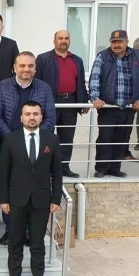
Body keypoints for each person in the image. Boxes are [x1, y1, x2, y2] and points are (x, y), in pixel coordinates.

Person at [0, 51, 56, 245]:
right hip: (9, 145)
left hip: (36, 144)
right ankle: (11, 230)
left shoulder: (44, 88)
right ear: (14, 67)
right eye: (22, 65)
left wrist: (38, 137)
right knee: (10, 186)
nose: (26, 69)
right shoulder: (3, 86)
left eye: (30, 66)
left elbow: (50, 116)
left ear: (35, 68)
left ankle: (29, 231)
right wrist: (13, 139)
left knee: (32, 186)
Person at [0, 101, 62, 276]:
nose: (32, 117)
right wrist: (3, 199)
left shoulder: (51, 139)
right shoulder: (11, 139)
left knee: (37, 242)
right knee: (15, 241)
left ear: (41, 117)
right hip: (16, 198)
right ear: (21, 117)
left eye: (35, 114)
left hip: (41, 199)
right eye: (28, 114)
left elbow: (56, 171)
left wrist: (56, 198)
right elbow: (4, 170)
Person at [89, 30, 139, 178]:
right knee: (105, 138)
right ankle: (102, 168)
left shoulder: (137, 56)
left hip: (129, 107)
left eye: (120, 42)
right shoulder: (103, 56)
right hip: (108, 107)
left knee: (122, 138)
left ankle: (115, 168)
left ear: (126, 41)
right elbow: (95, 78)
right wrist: (95, 98)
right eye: (114, 42)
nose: (116, 45)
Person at [34, 30, 89, 178]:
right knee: (46, 136)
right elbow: (37, 83)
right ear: (54, 41)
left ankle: (64, 167)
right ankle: (45, 168)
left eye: (66, 38)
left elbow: (81, 84)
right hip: (49, 102)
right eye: (60, 38)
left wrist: (84, 101)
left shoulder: (77, 60)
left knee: (67, 138)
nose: (63, 41)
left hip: (70, 103)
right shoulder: (43, 59)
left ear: (69, 40)